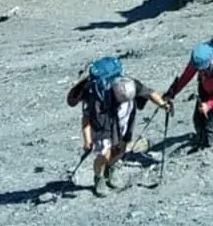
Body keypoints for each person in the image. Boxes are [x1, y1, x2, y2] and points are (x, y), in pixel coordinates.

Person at [69, 62, 169, 197]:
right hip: (103, 125)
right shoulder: (96, 96)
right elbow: (86, 118)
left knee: (120, 150)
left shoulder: (130, 84)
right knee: (104, 154)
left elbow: (149, 93)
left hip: (124, 123)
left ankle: (111, 169)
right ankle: (99, 178)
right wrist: (87, 140)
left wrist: (163, 104)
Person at [164, 42, 213, 151]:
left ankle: (207, 147)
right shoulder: (199, 61)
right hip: (205, 90)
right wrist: (171, 93)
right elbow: (186, 76)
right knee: (197, 120)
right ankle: (199, 140)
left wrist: (209, 105)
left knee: (209, 125)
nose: (196, 68)